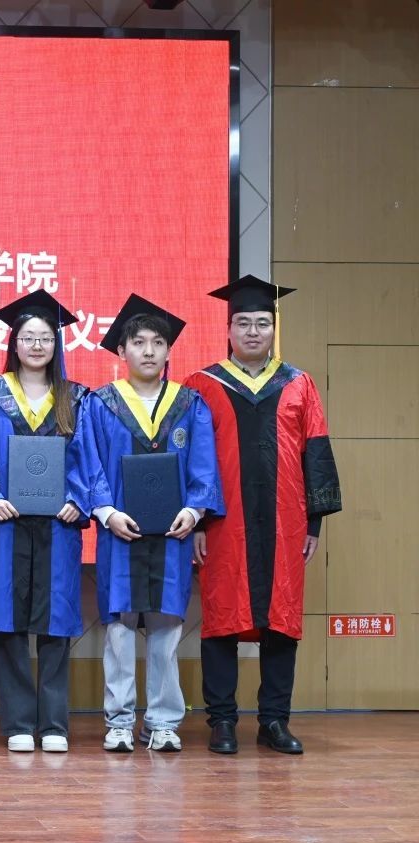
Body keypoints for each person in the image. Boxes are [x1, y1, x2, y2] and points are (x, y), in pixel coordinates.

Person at [184, 275, 342, 755]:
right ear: (228, 329)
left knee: (281, 619)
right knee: (221, 619)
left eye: (262, 323)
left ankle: (274, 720)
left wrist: (313, 524)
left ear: (274, 328)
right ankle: (222, 721)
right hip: (222, 521)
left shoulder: (298, 384)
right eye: (243, 323)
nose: (253, 331)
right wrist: (195, 522)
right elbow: (190, 460)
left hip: (286, 521)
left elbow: (316, 453)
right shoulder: (202, 385)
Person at [76, 294, 224, 753]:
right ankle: (119, 721)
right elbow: (88, 465)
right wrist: (106, 512)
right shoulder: (100, 405)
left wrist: (194, 510)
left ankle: (162, 721)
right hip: (119, 532)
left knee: (166, 628)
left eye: (157, 343)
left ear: (168, 350)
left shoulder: (189, 405)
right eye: (138, 342)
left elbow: (204, 466)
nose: (148, 351)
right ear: (121, 351)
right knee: (120, 629)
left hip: (172, 534)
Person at [0, 290, 88, 753]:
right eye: (28, 337)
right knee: (10, 621)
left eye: (45, 338)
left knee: (56, 621)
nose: (37, 345)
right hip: (6, 522)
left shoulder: (75, 398)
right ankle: (18, 722)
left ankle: (53, 725)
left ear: (57, 345)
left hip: (58, 524)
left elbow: (88, 459)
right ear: (13, 343)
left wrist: (78, 499)